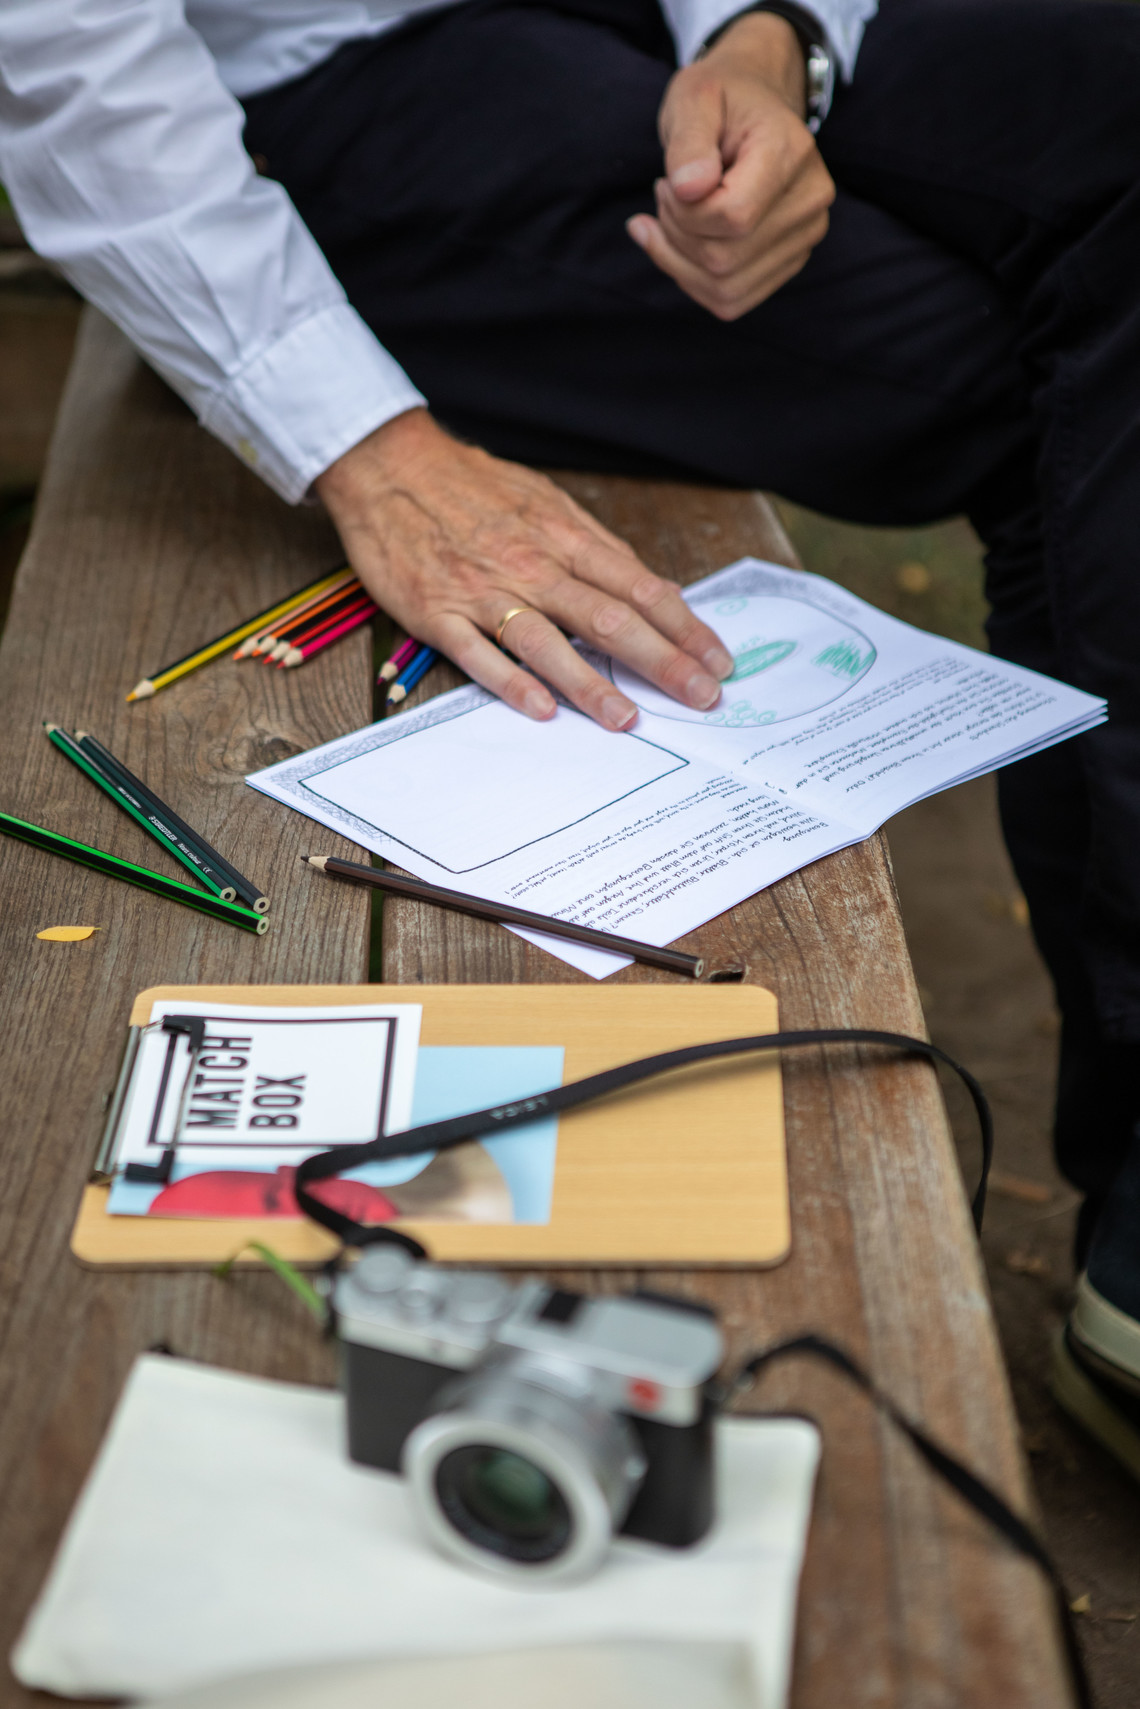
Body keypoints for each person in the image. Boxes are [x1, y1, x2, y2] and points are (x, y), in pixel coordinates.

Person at [2, 0, 1140, 1477]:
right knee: (1035, 384)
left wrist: (764, 39)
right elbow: (63, 45)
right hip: (328, 77)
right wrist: (373, 453)